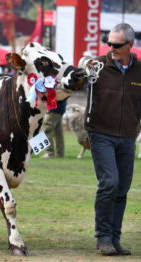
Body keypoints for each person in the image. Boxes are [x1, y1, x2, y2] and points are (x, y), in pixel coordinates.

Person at [84, 23, 141, 256]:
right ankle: (103, 237)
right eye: (108, 43)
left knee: (122, 188)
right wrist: (80, 70)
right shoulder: (96, 66)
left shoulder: (140, 71)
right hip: (100, 134)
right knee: (110, 183)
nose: (111, 48)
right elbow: (74, 80)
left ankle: (115, 238)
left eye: (116, 45)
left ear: (130, 44)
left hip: (128, 136)